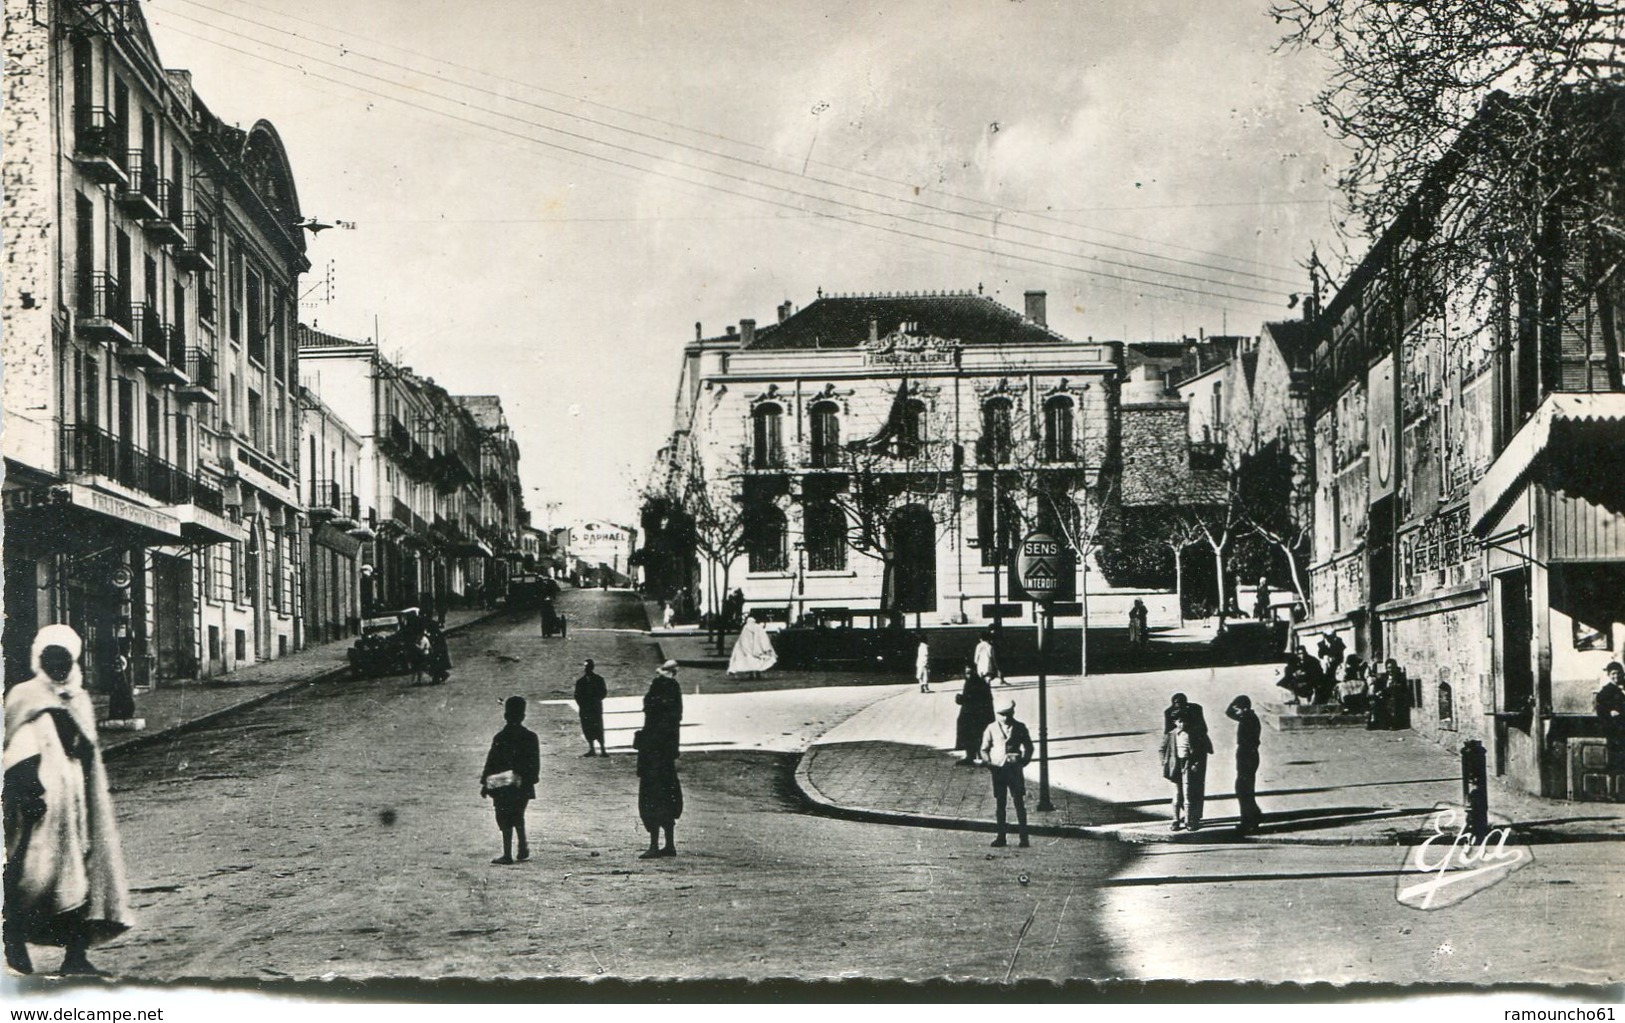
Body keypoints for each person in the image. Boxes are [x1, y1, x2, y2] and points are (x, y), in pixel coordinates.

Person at [4, 625, 134, 975]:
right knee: (32, 874)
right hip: (38, 805)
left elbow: (87, 750)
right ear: (39, 658)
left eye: (63, 657)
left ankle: (76, 956)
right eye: (50, 657)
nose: (57, 664)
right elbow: (14, 750)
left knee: (80, 873)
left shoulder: (78, 698)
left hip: (76, 803)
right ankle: (12, 937)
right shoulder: (25, 696)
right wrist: (30, 791)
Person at [480, 696, 540, 865]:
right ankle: (522, 845)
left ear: (506, 716)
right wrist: (530, 779)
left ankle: (508, 854)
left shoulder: (500, 737)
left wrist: (485, 784)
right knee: (518, 815)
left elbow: (491, 762)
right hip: (522, 785)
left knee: (505, 817)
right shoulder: (530, 737)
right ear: (523, 716)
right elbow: (534, 763)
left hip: (502, 785)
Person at [636, 661, 684, 858]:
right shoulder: (673, 692)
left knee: (652, 800)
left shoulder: (661, 689)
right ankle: (669, 844)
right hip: (665, 756)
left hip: (653, 756)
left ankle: (655, 845)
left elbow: (652, 713)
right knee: (666, 798)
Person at [981, 698, 1034, 848]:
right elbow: (984, 749)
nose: (1005, 718)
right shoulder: (991, 728)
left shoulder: (1020, 727)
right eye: (1002, 715)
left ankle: (1024, 838)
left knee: (1019, 803)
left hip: (1014, 770)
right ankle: (1001, 837)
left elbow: (1029, 747)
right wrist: (989, 763)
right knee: (1000, 803)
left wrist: (1023, 761)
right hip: (998, 770)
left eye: (1008, 714)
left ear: (1013, 712)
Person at [1161, 693, 1213, 830]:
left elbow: (1203, 730)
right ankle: (1186, 816)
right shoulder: (1169, 713)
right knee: (1180, 790)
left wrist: (1190, 732)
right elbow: (1167, 734)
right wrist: (1166, 762)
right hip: (1177, 756)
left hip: (1196, 752)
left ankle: (1194, 816)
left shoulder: (1196, 709)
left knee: (1195, 785)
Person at [1226, 695, 1263, 835]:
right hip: (1247, 754)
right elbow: (1229, 712)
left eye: (1238, 709)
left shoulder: (1249, 720)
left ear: (1245, 709)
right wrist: (1236, 704)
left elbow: (1229, 712)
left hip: (1247, 755)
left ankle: (1250, 822)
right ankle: (1253, 817)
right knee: (1245, 789)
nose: (1236, 712)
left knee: (1244, 790)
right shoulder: (1248, 717)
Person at [955, 658, 996, 766]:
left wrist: (960, 699)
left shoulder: (975, 683)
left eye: (969, 672)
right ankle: (972, 755)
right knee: (970, 732)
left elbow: (972, 698)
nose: (968, 675)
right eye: (966, 673)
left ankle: (976, 756)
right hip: (973, 714)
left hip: (976, 715)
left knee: (974, 733)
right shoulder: (974, 681)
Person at [574, 658, 609, 756]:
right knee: (587, 728)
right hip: (585, 709)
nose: (587, 669)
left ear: (592, 667)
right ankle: (592, 749)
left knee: (598, 728)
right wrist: (583, 704)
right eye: (586, 667)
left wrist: (595, 700)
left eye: (588, 667)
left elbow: (603, 692)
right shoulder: (580, 682)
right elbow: (577, 695)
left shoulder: (599, 679)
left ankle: (603, 749)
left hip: (595, 709)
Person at [727, 613, 777, 680]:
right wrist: (765, 647)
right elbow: (762, 638)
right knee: (757, 660)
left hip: (746, 646)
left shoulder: (745, 627)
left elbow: (742, 639)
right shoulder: (757, 627)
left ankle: (751, 674)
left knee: (749, 660)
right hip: (755, 646)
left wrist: (741, 647)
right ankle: (758, 674)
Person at [1596, 662, 1625, 767]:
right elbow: (1601, 712)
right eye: (1613, 673)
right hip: (1616, 732)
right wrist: (1609, 713)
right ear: (1608, 675)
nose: (1616, 676)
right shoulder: (1605, 692)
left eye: (1618, 673)